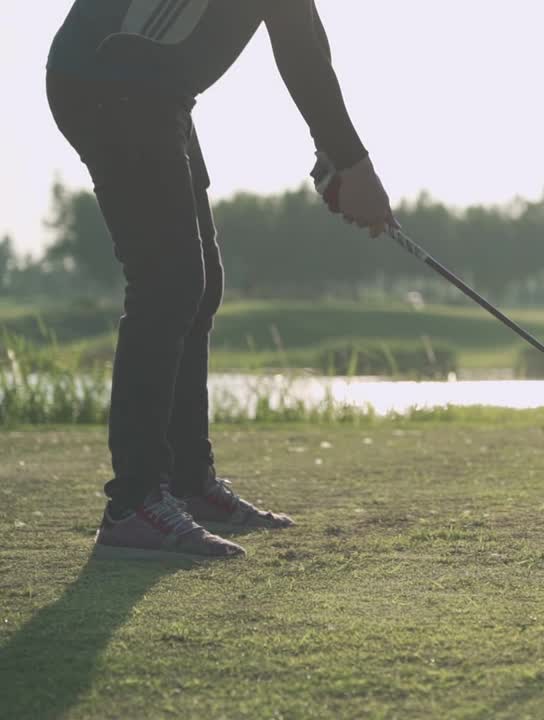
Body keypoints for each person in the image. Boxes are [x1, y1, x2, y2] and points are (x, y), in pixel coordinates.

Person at [46, 0, 394, 558]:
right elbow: (297, 46)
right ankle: (134, 502)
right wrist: (354, 166)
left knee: (198, 285)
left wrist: (336, 153)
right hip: (108, 81)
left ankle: (186, 482)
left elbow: (301, 27)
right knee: (168, 281)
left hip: (154, 91)